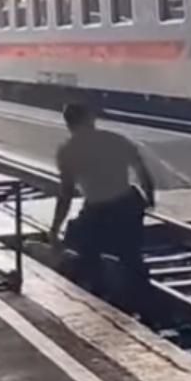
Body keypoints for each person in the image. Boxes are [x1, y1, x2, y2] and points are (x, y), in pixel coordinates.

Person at [49, 103, 156, 316]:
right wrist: (149, 197)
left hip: (97, 209)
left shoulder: (68, 151)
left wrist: (55, 228)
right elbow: (141, 170)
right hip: (127, 204)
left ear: (68, 123)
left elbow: (66, 194)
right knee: (131, 255)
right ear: (91, 119)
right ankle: (144, 302)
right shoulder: (116, 140)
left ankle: (100, 298)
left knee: (86, 253)